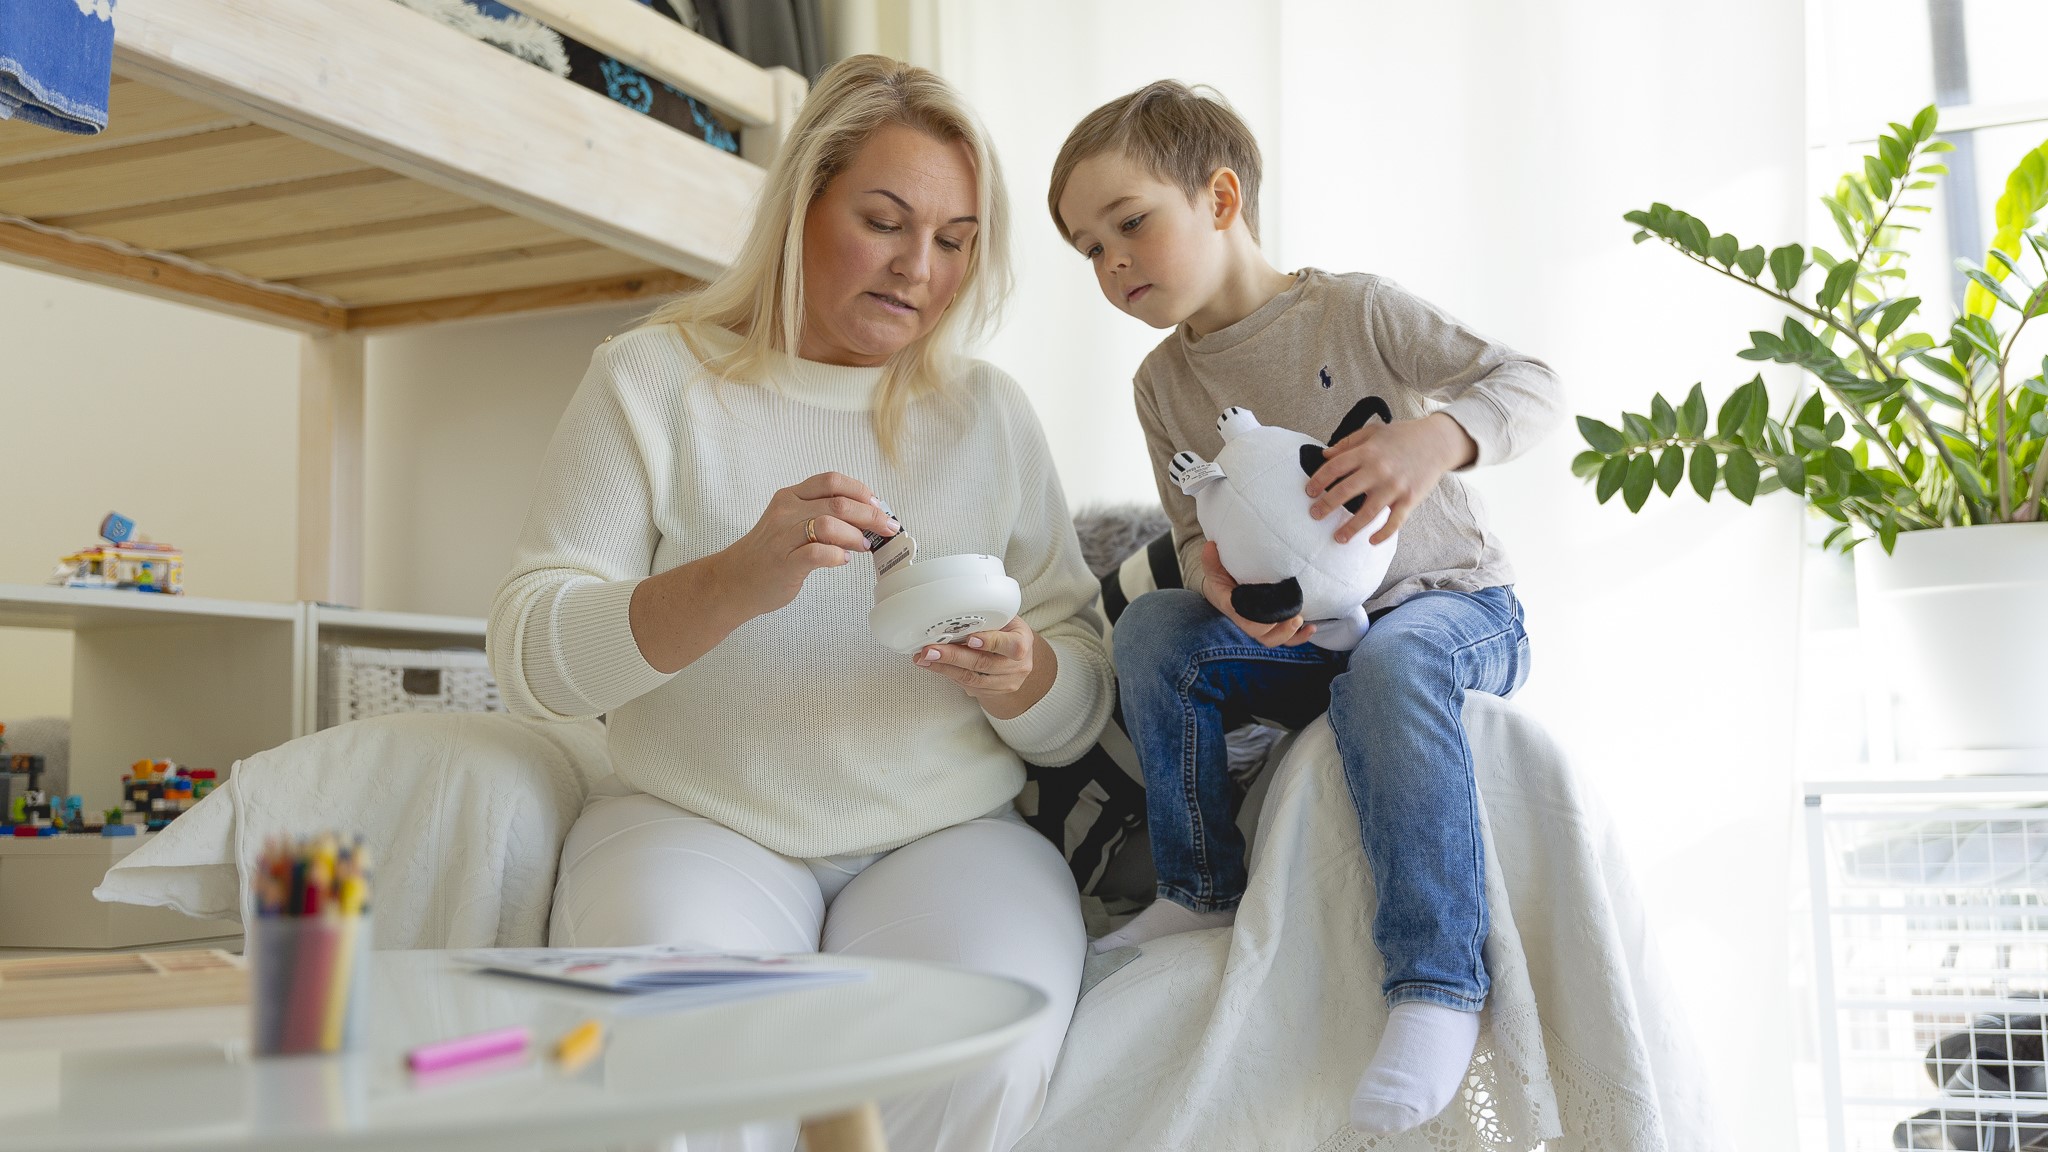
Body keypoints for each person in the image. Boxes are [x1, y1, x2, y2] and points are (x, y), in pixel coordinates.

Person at [489, 54, 1113, 1152]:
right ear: (802, 207)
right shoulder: (653, 380)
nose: (921, 268)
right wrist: (732, 582)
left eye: (956, 240)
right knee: (683, 1057)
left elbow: (1077, 697)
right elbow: (532, 659)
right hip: (694, 815)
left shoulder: (990, 415)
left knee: (987, 1043)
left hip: (945, 831)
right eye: (884, 221)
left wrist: (1025, 677)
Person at [1048, 80, 1565, 1135]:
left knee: (1393, 664)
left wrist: (1438, 438)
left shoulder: (1355, 309)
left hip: (1451, 604)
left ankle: (1436, 984)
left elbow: (1530, 383)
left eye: (1128, 224)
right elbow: (1193, 538)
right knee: (1150, 631)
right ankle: (1198, 889)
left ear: (1221, 199)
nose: (1111, 266)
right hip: (1307, 640)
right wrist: (1224, 594)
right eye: (1086, 249)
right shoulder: (1161, 385)